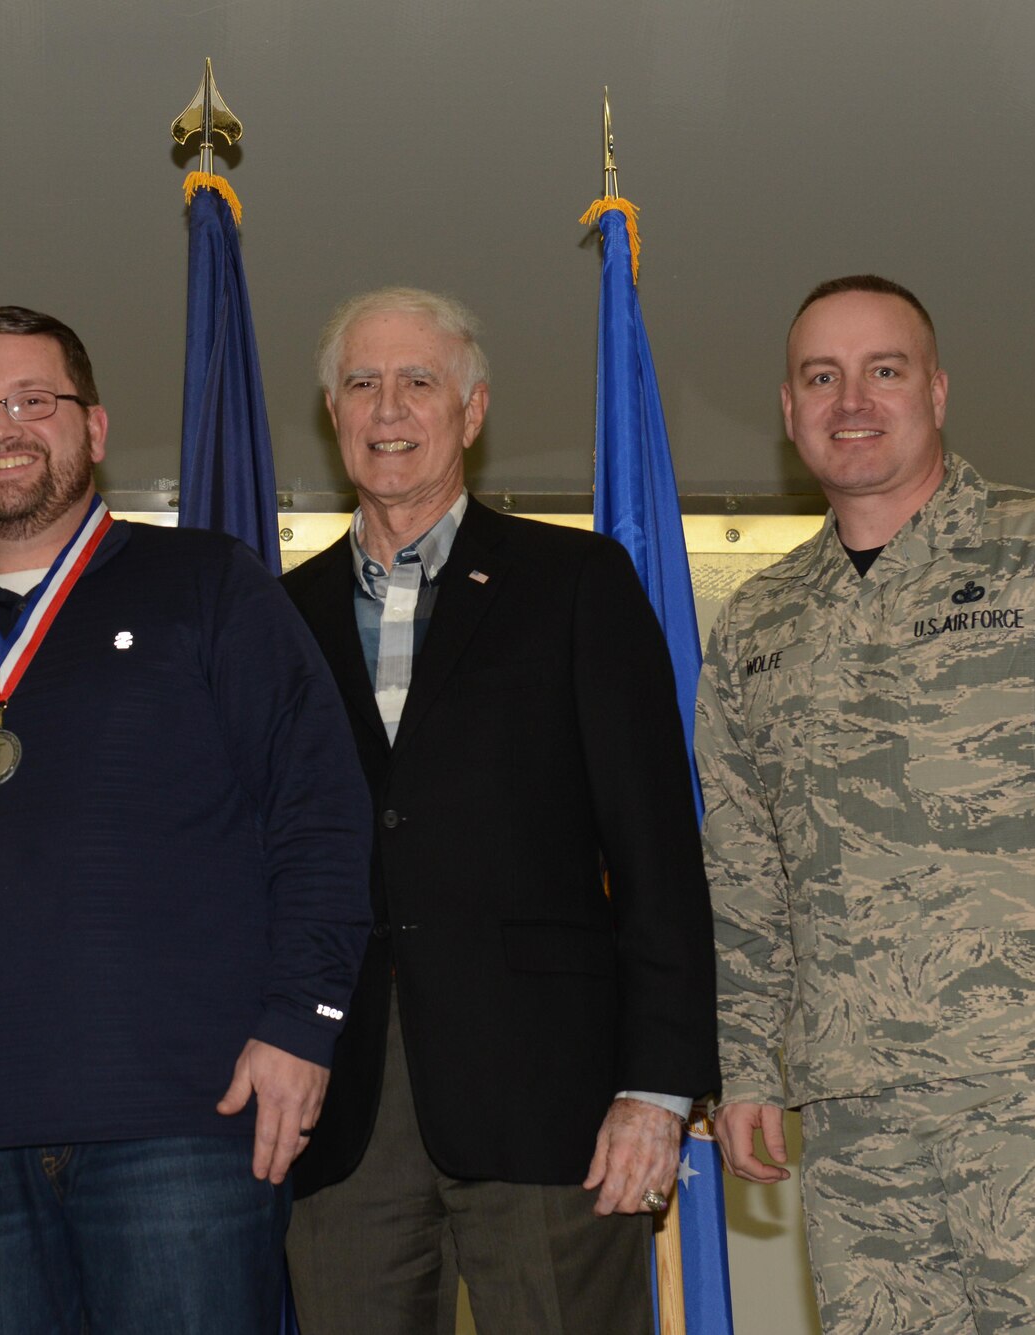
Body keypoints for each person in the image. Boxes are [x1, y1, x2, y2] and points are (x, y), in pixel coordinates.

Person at [701, 274, 1035, 1331]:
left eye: (882, 371)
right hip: (855, 1117)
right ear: (787, 411)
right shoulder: (758, 627)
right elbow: (741, 874)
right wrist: (743, 1068)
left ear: (937, 392)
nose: (849, 400)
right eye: (820, 377)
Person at [0, 305, 371, 1333]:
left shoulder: (208, 584)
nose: (3, 426)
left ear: (96, 428)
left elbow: (322, 816)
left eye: (34, 399)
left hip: (183, 1125)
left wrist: (303, 1024)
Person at [279, 287, 718, 1334]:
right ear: (333, 416)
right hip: (338, 1118)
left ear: (471, 412)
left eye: (417, 381)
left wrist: (656, 1090)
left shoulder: (574, 582)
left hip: (554, 1109)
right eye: (361, 384)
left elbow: (655, 850)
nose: (388, 406)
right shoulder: (274, 617)